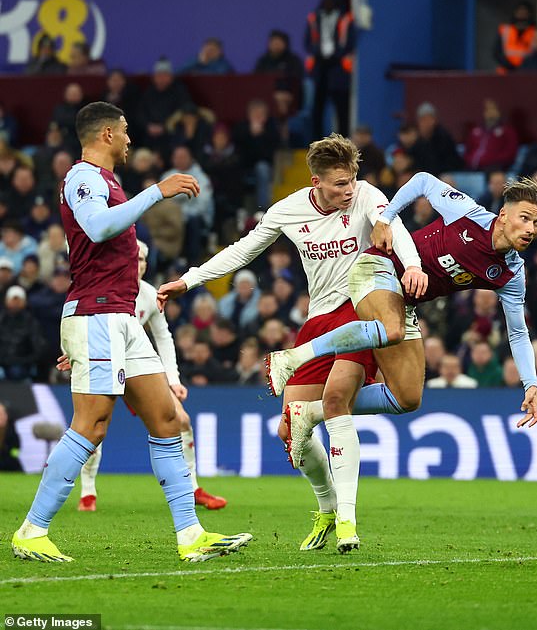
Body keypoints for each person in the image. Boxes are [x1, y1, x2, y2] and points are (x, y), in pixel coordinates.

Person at [157, 134, 422, 554]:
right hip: (318, 319)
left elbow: (396, 227)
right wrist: (189, 280)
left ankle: (349, 522)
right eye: (339, 184)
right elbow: (243, 251)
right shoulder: (288, 210)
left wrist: (411, 266)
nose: (348, 190)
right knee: (290, 428)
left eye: (352, 179)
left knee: (336, 399)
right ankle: (327, 508)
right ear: (316, 181)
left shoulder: (367, 195)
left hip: (361, 308)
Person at [11, 102, 250, 563]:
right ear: (104, 134)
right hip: (96, 314)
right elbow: (99, 229)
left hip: (122, 316)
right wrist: (156, 192)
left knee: (166, 419)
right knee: (93, 424)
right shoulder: (83, 178)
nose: (129, 139)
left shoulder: (109, 181)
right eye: (123, 131)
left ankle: (190, 535)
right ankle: (32, 530)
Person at [265, 171, 537, 479]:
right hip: (380, 266)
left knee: (407, 398)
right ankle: (292, 358)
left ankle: (310, 412)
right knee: (392, 330)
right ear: (504, 215)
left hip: (404, 300)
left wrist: (530, 383)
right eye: (525, 218)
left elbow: (518, 333)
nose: (531, 229)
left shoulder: (511, 273)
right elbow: (423, 181)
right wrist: (385, 217)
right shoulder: (468, 213)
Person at [55, 241, 227, 511]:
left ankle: (192, 487)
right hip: (103, 363)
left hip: (138, 366)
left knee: (181, 420)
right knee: (93, 429)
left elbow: (163, 336)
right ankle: (87, 492)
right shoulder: (100, 289)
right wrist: (73, 350)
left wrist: (173, 379)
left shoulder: (148, 294)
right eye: (134, 258)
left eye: (143, 259)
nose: (139, 264)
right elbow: (75, 316)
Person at [305, 0, 355, 137]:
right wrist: (317, 52)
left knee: (341, 107)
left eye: (331, 2)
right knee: (317, 108)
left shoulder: (346, 19)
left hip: (338, 68)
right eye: (326, 1)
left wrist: (337, 55)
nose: (328, 5)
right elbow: (307, 41)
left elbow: (350, 42)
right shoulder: (314, 18)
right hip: (320, 68)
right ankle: (317, 141)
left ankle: (342, 141)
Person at [494, 0, 536, 74]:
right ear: (515, 13)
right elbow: (497, 52)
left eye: (525, 12)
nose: (522, 15)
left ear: (529, 14)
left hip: (528, 72)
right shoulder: (505, 30)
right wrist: (510, 66)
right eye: (520, 12)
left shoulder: (535, 32)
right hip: (505, 72)